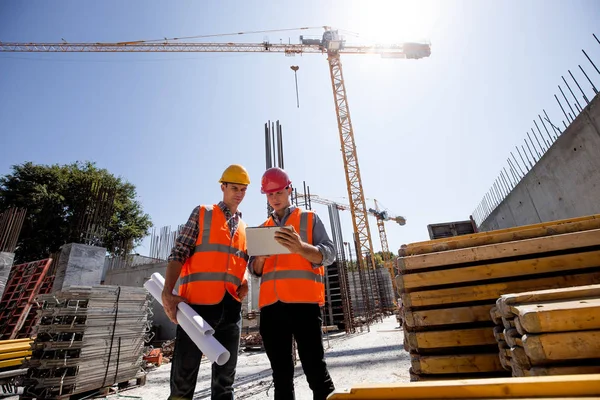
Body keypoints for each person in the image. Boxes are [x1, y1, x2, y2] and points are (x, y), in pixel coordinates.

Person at [162, 164, 251, 400]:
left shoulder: (244, 227)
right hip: (197, 307)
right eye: (234, 188)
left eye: (243, 189)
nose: (239, 194)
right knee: (183, 380)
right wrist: (167, 292)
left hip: (231, 310)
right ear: (223, 187)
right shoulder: (203, 212)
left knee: (225, 384)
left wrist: (245, 281)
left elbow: (238, 263)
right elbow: (179, 252)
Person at [250, 167, 336, 400]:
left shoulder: (309, 218)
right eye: (269, 194)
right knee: (281, 375)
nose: (274, 198)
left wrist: (301, 248)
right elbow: (254, 271)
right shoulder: (262, 228)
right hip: (271, 308)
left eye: (279, 192)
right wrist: (259, 259)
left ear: (289, 190)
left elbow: (329, 254)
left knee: (315, 368)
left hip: (303, 305)